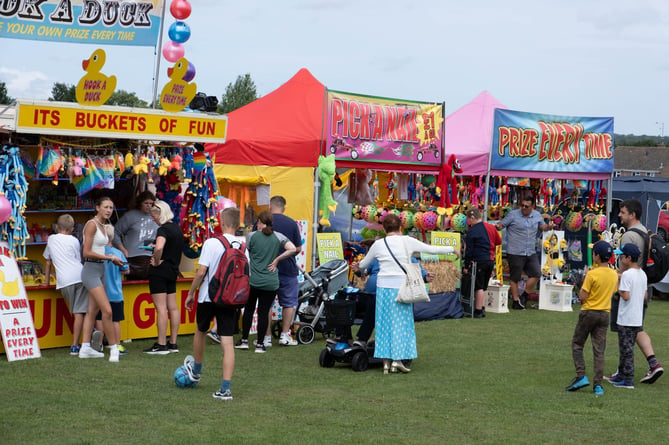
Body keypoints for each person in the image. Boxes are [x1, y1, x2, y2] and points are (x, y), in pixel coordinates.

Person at [351, 213, 458, 374]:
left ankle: (386, 362)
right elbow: (430, 249)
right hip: (401, 287)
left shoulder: (378, 245)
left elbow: (364, 265)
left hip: (383, 289)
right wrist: (452, 249)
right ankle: (397, 360)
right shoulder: (408, 241)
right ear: (400, 226)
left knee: (383, 324)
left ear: (384, 228)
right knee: (401, 324)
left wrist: (357, 268)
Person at [185, 207, 248, 401]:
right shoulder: (243, 245)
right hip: (230, 298)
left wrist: (191, 293)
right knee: (227, 342)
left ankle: (196, 371)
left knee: (201, 331)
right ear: (238, 224)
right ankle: (225, 388)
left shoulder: (211, 242)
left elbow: (201, 271)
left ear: (221, 222)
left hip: (208, 296)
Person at [609, 198, 664, 383]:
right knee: (636, 328)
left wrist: (617, 281)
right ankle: (649, 364)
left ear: (632, 214)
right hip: (643, 287)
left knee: (628, 331)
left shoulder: (629, 236)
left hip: (629, 289)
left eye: (623, 212)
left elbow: (625, 264)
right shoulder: (645, 231)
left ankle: (628, 371)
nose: (619, 215)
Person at [235, 211, 298, 353]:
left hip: (253, 280)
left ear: (261, 222)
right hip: (271, 281)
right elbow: (293, 249)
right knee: (264, 311)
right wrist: (277, 259)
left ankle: (244, 340)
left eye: (258, 222)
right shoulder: (278, 237)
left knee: (250, 310)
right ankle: (260, 345)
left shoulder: (252, 236)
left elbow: (247, 251)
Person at [565, 240, 617, 396]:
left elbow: (582, 296)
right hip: (605, 314)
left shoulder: (592, 274)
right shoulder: (614, 274)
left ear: (597, 256)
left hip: (589, 312)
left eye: (593, 252)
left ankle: (581, 376)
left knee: (577, 344)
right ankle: (598, 385)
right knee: (599, 350)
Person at [78, 197, 126, 362]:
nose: (109, 210)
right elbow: (86, 252)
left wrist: (110, 258)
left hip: (100, 269)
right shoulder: (91, 225)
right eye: (105, 207)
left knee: (93, 311)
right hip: (91, 270)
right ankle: (113, 348)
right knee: (108, 311)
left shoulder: (104, 226)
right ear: (97, 207)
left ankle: (85, 347)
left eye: (111, 208)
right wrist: (110, 257)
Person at [43, 214, 88, 355]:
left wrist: (46, 281)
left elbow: (48, 261)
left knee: (76, 311)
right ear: (72, 229)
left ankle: (78, 343)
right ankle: (76, 344)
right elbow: (77, 259)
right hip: (80, 275)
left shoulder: (51, 239)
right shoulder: (74, 240)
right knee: (80, 312)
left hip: (64, 280)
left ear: (57, 227)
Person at [496, 195, 552, 309]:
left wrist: (549, 227)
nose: (524, 208)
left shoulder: (536, 215)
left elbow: (542, 227)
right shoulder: (513, 215)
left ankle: (525, 295)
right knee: (514, 277)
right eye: (522, 205)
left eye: (527, 206)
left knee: (536, 273)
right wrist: (497, 226)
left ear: (532, 206)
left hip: (530, 251)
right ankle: (516, 301)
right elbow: (501, 225)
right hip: (515, 251)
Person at [145, 200, 185, 355]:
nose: (153, 219)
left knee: (161, 308)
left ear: (160, 214)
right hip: (173, 271)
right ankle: (173, 343)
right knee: (173, 307)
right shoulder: (177, 229)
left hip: (160, 271)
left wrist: (155, 260)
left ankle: (161, 344)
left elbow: (159, 247)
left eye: (154, 216)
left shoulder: (162, 230)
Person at [607, 243, 646, 389]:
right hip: (636, 317)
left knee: (626, 349)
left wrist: (618, 286)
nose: (620, 258)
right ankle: (622, 374)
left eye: (622, 256)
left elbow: (626, 296)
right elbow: (643, 295)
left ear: (629, 258)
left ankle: (628, 378)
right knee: (626, 347)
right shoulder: (642, 274)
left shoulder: (627, 275)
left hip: (626, 318)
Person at [268, 195, 302, 346]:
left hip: (267, 269)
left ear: (270, 206)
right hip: (288, 269)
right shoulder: (291, 223)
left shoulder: (263, 222)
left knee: (266, 303)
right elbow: (298, 248)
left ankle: (266, 337)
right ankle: (284, 335)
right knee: (288, 303)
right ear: (284, 207)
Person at [464, 207, 502, 318]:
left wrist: (466, 266)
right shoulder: (491, 227)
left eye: (469, 220)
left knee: (478, 286)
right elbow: (498, 242)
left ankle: (478, 310)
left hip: (479, 260)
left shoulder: (472, 231)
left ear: (472, 218)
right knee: (484, 286)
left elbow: (469, 251)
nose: (469, 222)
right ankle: (483, 307)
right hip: (490, 260)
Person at [113, 190, 158, 280]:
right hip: (133, 257)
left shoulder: (157, 216)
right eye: (146, 203)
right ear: (140, 203)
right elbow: (114, 233)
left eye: (151, 203)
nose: (149, 206)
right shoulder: (130, 216)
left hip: (151, 257)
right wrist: (122, 249)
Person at [100, 225, 129, 356]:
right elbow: (126, 269)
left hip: (101, 292)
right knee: (115, 320)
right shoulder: (118, 253)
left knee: (100, 319)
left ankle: (98, 344)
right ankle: (117, 344)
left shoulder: (98, 253)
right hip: (116, 293)